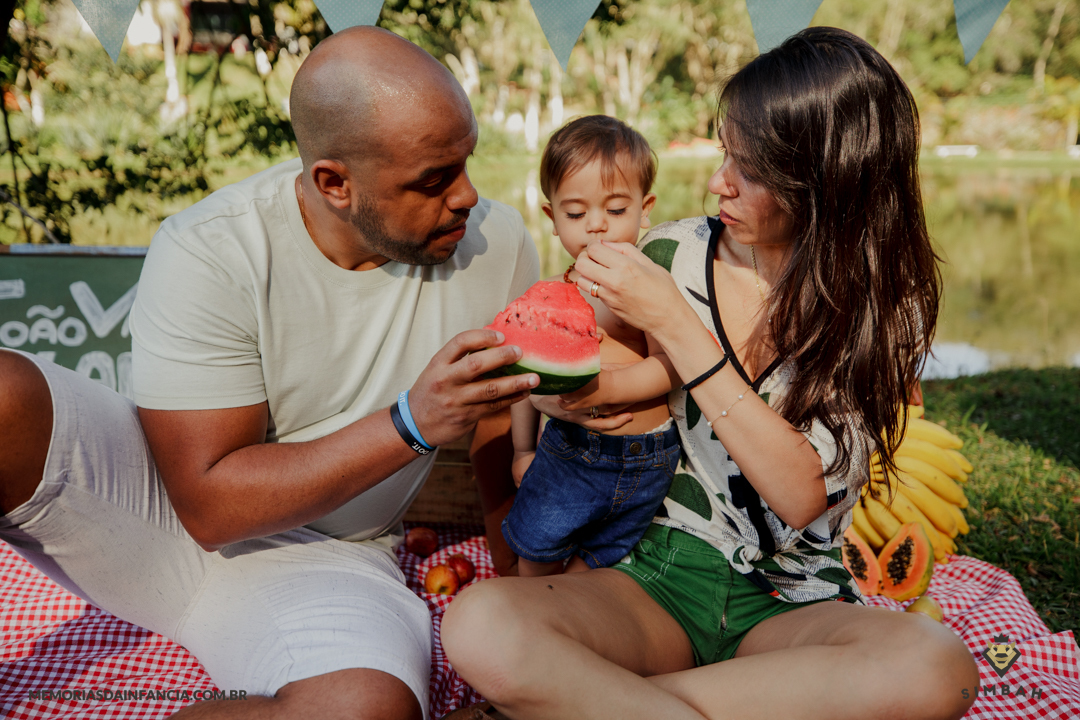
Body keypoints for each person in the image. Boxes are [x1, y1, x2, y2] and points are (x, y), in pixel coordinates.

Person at [0, 27, 539, 720]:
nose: (466, 197)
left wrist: (524, 591)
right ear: (334, 184)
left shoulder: (496, 246)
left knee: (361, 711)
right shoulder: (212, 249)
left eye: (466, 163)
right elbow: (208, 509)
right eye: (433, 181)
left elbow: (499, 437)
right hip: (155, 515)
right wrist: (410, 424)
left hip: (336, 556)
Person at [443, 27, 980, 720]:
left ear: (823, 179)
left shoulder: (884, 310)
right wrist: (561, 397)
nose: (716, 181)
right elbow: (587, 378)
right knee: (479, 621)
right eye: (725, 150)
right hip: (653, 577)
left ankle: (582, 708)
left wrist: (675, 325)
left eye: (748, 169)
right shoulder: (668, 253)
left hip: (789, 603)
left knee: (939, 667)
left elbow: (800, 494)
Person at [504, 116, 681, 577]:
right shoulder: (548, 297)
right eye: (577, 214)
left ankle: (569, 620)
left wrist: (607, 388)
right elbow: (524, 377)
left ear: (646, 210)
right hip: (571, 452)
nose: (596, 227)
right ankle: (529, 625)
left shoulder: (650, 286)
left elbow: (671, 367)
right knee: (536, 550)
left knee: (604, 561)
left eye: (617, 211)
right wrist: (523, 451)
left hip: (650, 459)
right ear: (552, 217)